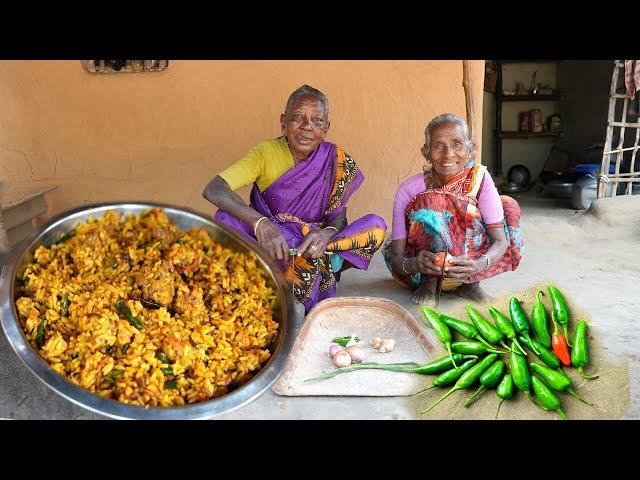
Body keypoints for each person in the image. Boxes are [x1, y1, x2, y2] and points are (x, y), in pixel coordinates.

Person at [203, 85, 387, 312]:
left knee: (376, 226)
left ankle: (318, 269)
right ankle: (296, 277)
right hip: (276, 244)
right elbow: (215, 189)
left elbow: (338, 220)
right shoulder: (265, 152)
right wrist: (261, 224)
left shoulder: (336, 160)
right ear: (283, 122)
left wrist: (325, 234)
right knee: (224, 218)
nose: (306, 127)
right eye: (298, 118)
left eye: (316, 120)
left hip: (313, 246)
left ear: (326, 128)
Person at [382, 113, 523, 305]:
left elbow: (501, 241)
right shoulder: (408, 190)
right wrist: (415, 264)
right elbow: (397, 255)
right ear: (426, 152)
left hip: (469, 265)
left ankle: (470, 285)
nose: (448, 154)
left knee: (508, 205)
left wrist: (479, 265)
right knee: (432, 201)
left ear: (470, 148)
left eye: (457, 144)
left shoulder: (480, 180)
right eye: (438, 146)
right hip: (419, 269)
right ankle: (428, 283)